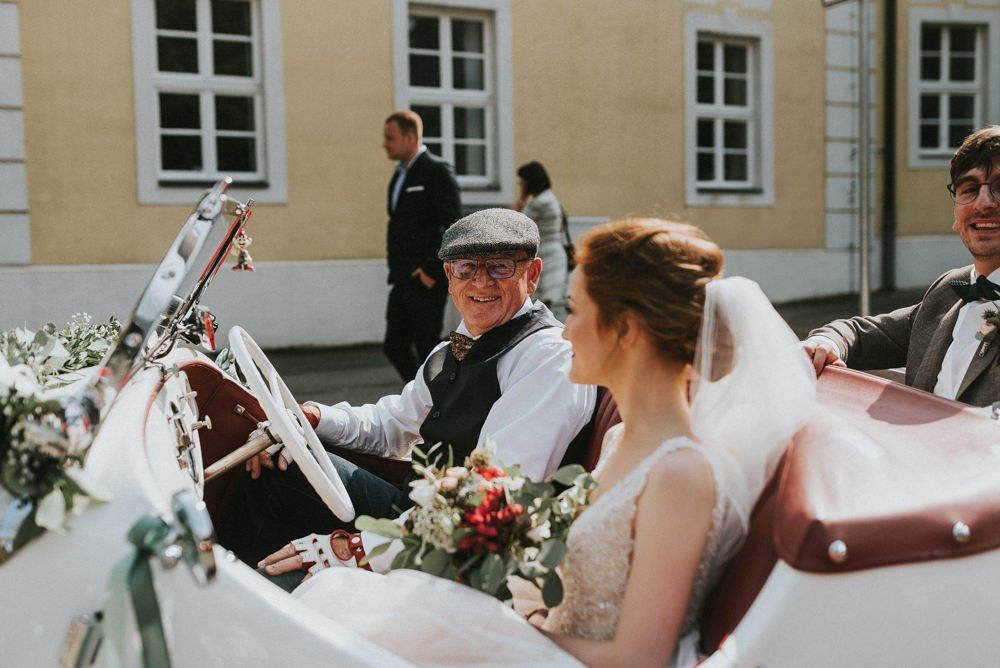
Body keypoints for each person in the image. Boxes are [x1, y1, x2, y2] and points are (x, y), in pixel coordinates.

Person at [277, 218, 816, 667]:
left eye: (577, 311)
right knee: (335, 610)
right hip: (537, 621)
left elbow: (640, 660)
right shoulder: (625, 440)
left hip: (558, 652)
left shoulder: (680, 474)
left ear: (625, 330)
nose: (565, 330)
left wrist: (501, 634)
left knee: (333, 613)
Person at [219, 208, 596, 577]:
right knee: (275, 462)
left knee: (269, 480)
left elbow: (495, 491)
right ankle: (244, 578)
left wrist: (357, 550)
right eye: (466, 268)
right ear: (449, 276)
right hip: (415, 507)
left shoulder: (548, 357)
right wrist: (310, 418)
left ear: (532, 275)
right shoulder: (448, 351)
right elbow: (390, 425)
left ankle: (255, 588)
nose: (481, 283)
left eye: (500, 267)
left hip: (460, 548)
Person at [804, 125, 1000, 406]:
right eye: (969, 189)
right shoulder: (948, 290)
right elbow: (860, 334)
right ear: (957, 216)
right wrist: (826, 343)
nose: (983, 203)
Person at [382, 109, 462, 381]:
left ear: (409, 138)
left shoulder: (435, 171)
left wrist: (431, 269)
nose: (384, 144)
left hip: (425, 278)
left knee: (428, 346)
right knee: (394, 345)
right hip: (402, 276)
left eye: (390, 138)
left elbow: (454, 225)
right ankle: (426, 398)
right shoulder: (401, 174)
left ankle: (439, 402)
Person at [515, 161, 568, 313]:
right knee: (545, 305)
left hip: (545, 255)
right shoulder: (550, 198)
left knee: (540, 306)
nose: (519, 184)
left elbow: (515, 223)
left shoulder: (538, 203)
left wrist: (522, 197)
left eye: (522, 181)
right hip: (554, 253)